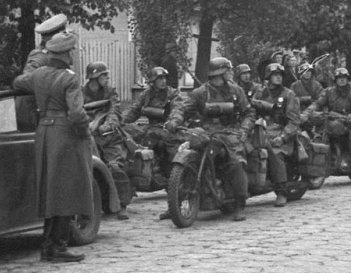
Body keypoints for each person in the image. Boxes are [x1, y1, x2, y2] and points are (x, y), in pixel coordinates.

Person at [12, 31, 92, 263]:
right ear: (66, 54)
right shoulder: (70, 78)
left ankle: (47, 245)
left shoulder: (38, 75)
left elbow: (18, 81)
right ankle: (59, 246)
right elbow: (77, 114)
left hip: (44, 133)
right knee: (67, 189)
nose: (73, 55)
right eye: (71, 51)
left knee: (50, 190)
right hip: (66, 134)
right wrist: (85, 133)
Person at [179, 57, 254, 221]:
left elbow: (249, 113)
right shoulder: (201, 92)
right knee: (188, 158)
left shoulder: (236, 91)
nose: (231, 73)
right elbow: (183, 109)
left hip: (230, 133)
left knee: (236, 162)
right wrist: (174, 121)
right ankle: (176, 202)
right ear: (220, 73)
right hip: (206, 133)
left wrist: (244, 129)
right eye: (229, 70)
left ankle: (239, 204)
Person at [122, 67, 184, 220]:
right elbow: (134, 110)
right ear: (152, 81)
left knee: (172, 156)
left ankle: (175, 194)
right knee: (128, 142)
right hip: (151, 129)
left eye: (164, 78)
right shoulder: (146, 94)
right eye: (159, 79)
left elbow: (178, 109)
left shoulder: (172, 93)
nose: (163, 81)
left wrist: (174, 121)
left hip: (168, 129)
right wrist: (120, 122)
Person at [302, 67, 351, 185]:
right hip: (333, 119)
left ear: (347, 79)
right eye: (339, 78)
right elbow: (317, 103)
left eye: (344, 78)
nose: (341, 80)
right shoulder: (328, 91)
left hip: (350, 121)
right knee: (318, 132)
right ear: (335, 80)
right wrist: (306, 113)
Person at [82, 61, 130, 220]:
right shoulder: (81, 93)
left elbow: (114, 111)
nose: (107, 78)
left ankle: (122, 205)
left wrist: (107, 126)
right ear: (94, 77)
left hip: (109, 137)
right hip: (88, 137)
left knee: (115, 167)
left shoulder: (110, 92)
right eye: (104, 75)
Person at [253, 63, 300, 207]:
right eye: (275, 75)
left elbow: (294, 121)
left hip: (281, 134)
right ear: (268, 77)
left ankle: (281, 190)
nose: (278, 77)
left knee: (275, 152)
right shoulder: (260, 93)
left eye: (280, 75)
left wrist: (283, 137)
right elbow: (251, 112)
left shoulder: (289, 94)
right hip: (262, 131)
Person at [16, 13, 68, 131]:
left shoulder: (53, 54)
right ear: (52, 37)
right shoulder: (40, 55)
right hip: (33, 115)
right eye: (62, 34)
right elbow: (26, 80)